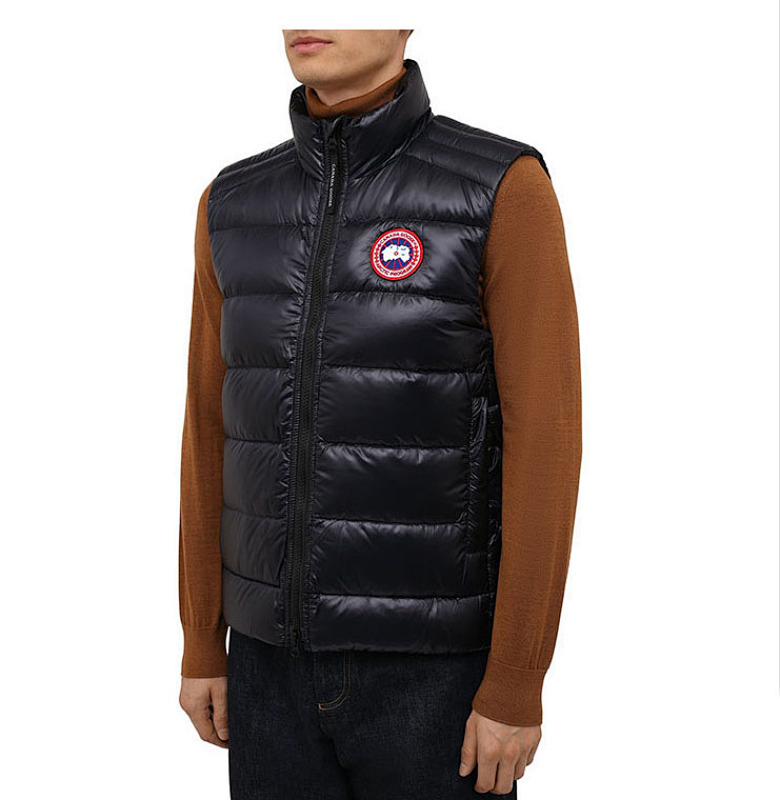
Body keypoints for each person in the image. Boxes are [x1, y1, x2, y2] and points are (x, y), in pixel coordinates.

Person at [178, 29, 582, 799]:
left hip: (436, 679)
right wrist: (202, 639)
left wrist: (516, 680)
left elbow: (547, 444)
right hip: (266, 668)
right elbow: (208, 427)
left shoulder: (499, 187)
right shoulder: (232, 203)